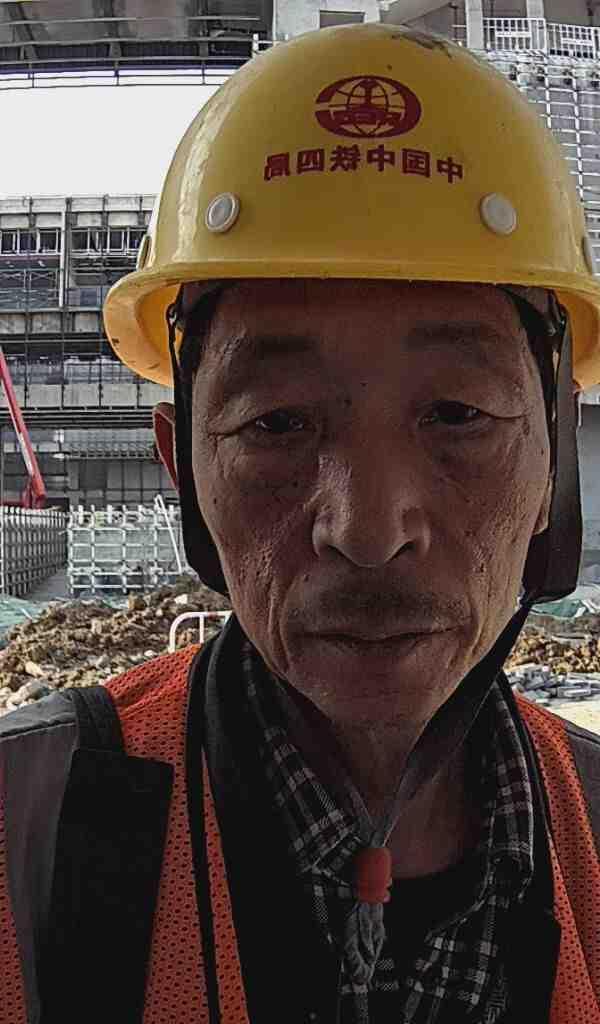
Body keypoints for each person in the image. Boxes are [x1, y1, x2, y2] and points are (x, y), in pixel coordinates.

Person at [3, 22, 600, 1024]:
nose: (368, 530)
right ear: (182, 466)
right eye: (276, 423)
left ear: (555, 461)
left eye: (458, 413)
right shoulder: (29, 832)